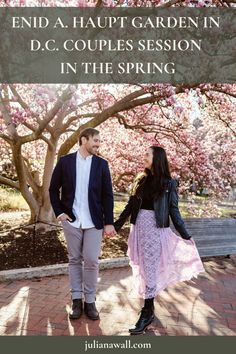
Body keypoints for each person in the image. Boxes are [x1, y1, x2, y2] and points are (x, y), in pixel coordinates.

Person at [114, 146, 205, 335]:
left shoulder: (168, 183)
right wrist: (116, 225)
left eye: (147, 154)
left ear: (157, 158)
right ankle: (150, 310)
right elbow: (131, 206)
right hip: (138, 230)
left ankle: (147, 313)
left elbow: (174, 211)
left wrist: (186, 235)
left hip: (156, 231)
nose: (144, 155)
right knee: (144, 268)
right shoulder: (141, 180)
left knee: (150, 269)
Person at [49, 127, 116, 321]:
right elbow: (53, 189)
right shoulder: (65, 162)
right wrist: (60, 212)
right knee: (74, 260)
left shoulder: (102, 164)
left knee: (92, 260)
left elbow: (107, 195)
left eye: (99, 141)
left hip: (94, 221)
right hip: (72, 221)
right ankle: (76, 300)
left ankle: (90, 301)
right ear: (84, 140)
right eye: (95, 140)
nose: (98, 144)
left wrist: (109, 222)